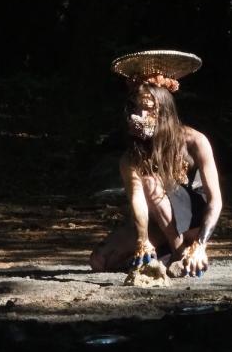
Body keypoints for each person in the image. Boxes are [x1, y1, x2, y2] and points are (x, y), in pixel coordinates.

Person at [89, 50, 223, 278]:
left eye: (148, 109)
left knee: (150, 182)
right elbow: (138, 202)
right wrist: (142, 240)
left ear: (163, 111)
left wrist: (201, 243)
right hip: (157, 219)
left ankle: (181, 253)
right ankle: (166, 254)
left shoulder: (195, 141)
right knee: (100, 260)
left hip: (193, 218)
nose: (139, 116)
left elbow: (215, 200)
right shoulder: (131, 156)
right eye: (135, 108)